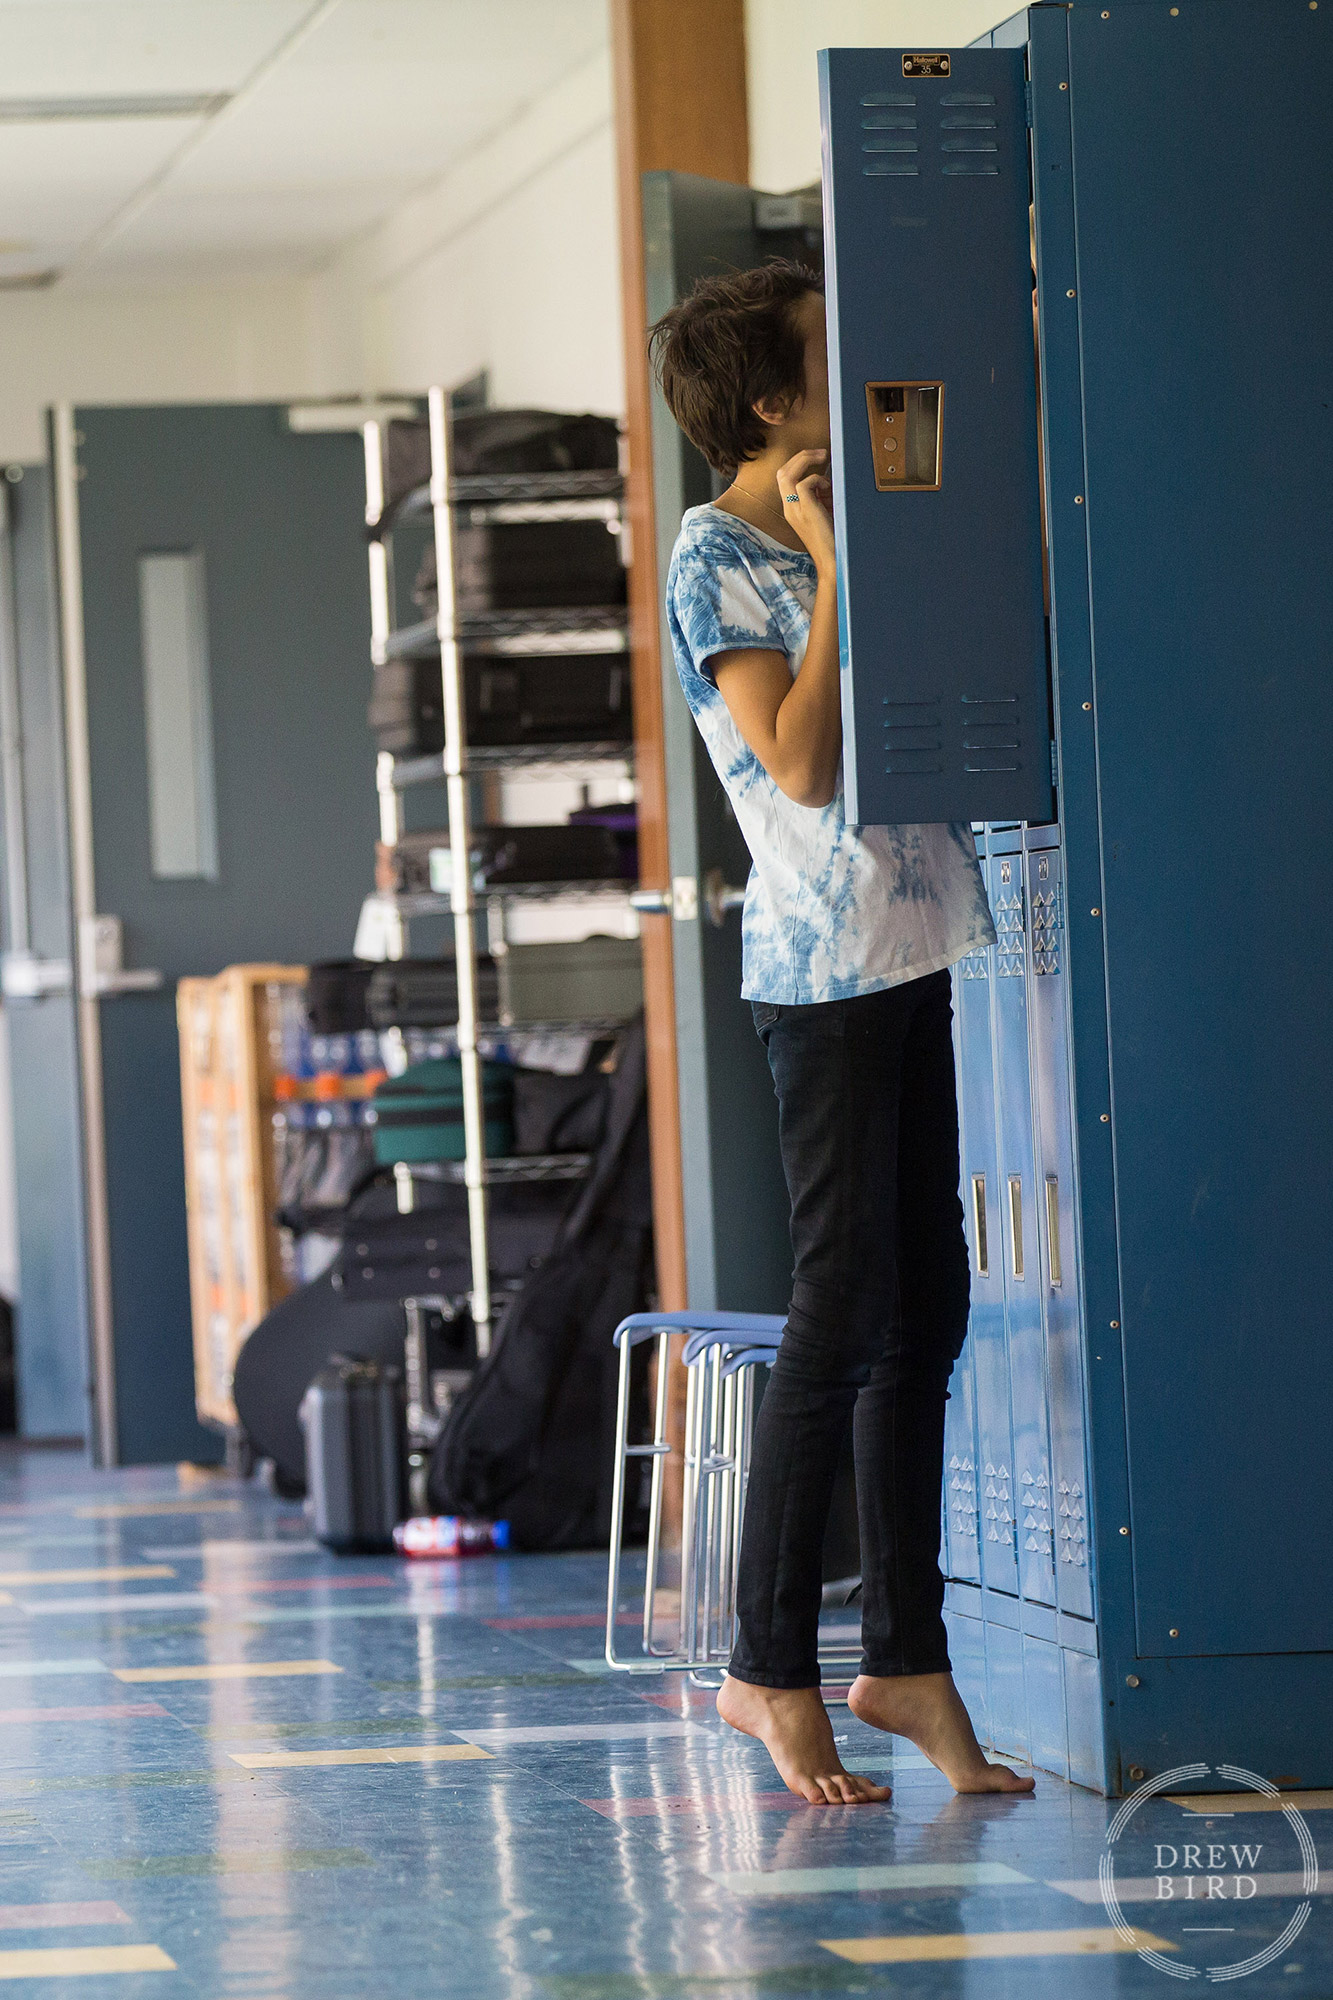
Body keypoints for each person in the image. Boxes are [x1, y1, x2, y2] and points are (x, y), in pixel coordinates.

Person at [652, 260, 1035, 1807]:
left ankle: (904, 1658)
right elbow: (798, 765)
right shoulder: (718, 557)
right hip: (818, 973)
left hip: (910, 934)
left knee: (923, 1304)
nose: (854, 356)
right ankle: (763, 1669)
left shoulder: (821, 525)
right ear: (768, 400)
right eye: (824, 350)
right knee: (836, 1314)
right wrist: (841, 560)